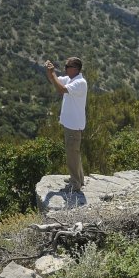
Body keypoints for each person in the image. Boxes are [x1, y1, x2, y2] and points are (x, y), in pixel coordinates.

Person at [44, 57, 87, 193]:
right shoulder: (71, 80)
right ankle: (79, 178)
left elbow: (61, 89)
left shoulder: (80, 82)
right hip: (71, 125)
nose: (65, 68)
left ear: (75, 68)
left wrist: (53, 73)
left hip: (74, 126)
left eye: (67, 66)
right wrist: (50, 72)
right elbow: (54, 81)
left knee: (71, 154)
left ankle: (75, 184)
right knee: (75, 153)